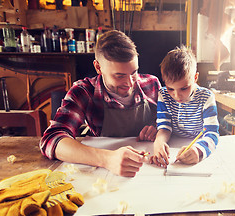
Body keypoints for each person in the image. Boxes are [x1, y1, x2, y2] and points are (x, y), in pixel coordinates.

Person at [40, 30, 161, 177]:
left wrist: (158, 128)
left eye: (134, 72)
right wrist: (107, 159)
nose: (130, 83)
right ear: (98, 67)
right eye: (119, 76)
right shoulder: (84, 91)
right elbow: (52, 140)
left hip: (148, 169)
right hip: (104, 173)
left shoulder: (152, 84)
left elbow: (171, 124)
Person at [151, 45, 219, 168]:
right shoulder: (163, 95)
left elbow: (212, 133)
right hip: (174, 146)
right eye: (170, 88)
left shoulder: (206, 97)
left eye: (184, 88)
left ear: (195, 78)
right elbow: (164, 126)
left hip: (197, 144)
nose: (177, 95)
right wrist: (159, 142)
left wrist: (198, 151)